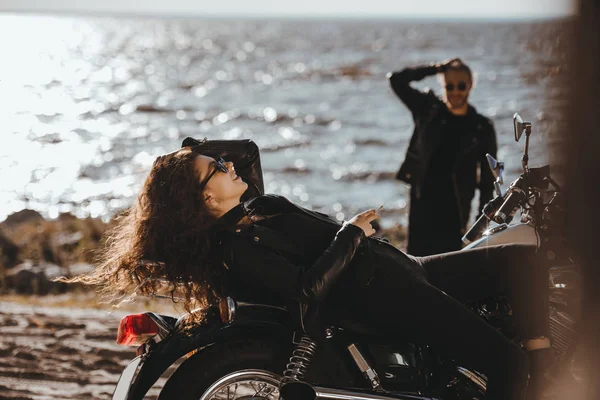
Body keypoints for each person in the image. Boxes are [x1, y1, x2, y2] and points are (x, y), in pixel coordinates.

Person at [84, 146, 553, 400]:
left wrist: (196, 160)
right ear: (207, 201)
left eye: (221, 159)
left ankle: (545, 354)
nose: (228, 164)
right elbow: (305, 293)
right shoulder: (237, 247)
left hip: (404, 271)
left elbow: (242, 153)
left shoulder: (255, 210)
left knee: (525, 262)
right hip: (388, 297)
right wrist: (351, 232)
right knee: (510, 365)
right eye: (217, 168)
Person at [388, 58, 498, 256]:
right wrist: (435, 68)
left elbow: (488, 181)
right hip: (422, 204)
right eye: (449, 86)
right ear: (443, 86)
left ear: (471, 86)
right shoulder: (427, 110)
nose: (455, 91)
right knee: (417, 264)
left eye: (461, 86)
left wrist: (482, 224)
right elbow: (396, 80)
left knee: (449, 269)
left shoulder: (481, 127)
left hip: (456, 210)